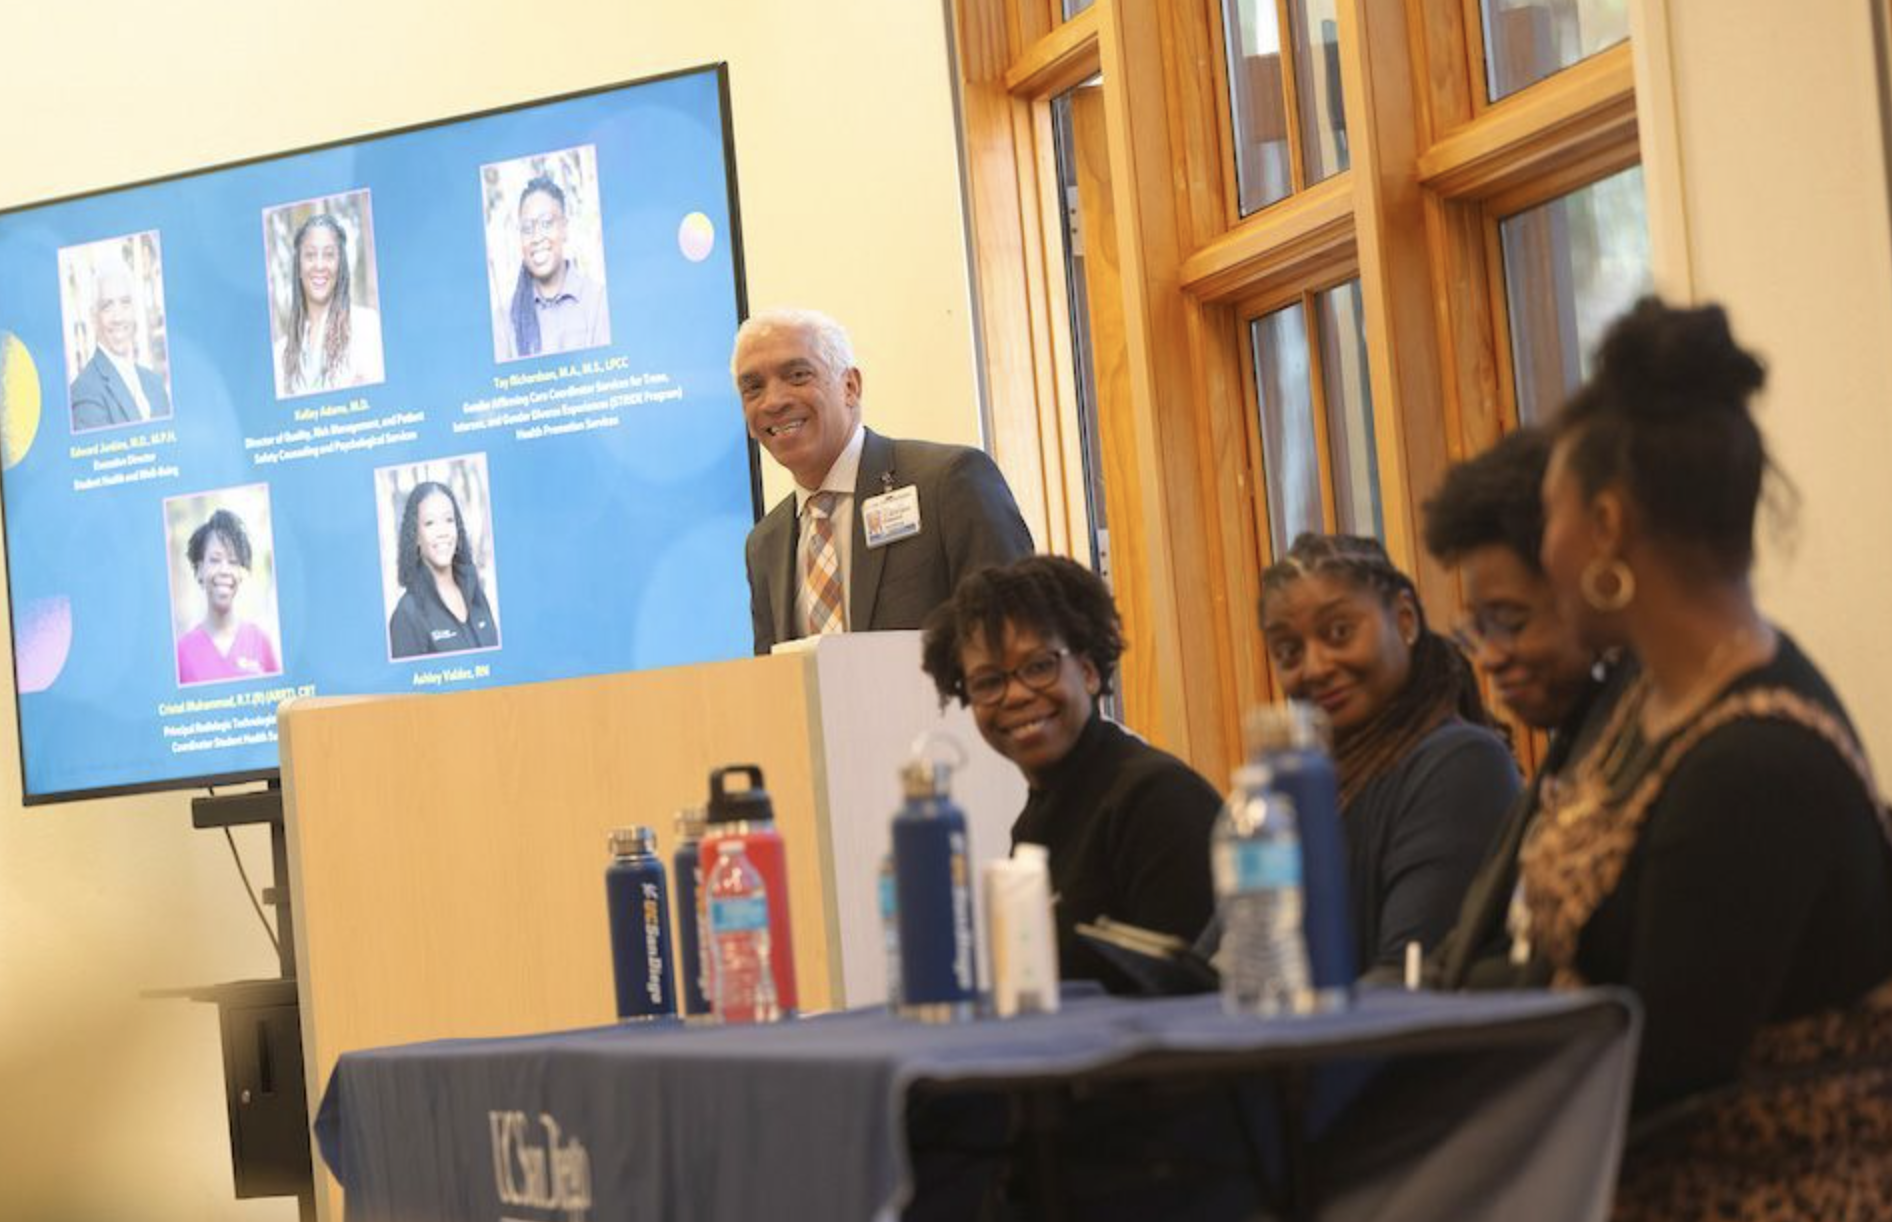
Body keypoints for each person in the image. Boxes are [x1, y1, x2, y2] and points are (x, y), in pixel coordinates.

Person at [1525, 298, 1892, 1219]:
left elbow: (1664, 1070)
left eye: (1549, 518)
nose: (1545, 553)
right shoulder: (1647, 703)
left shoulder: (1756, 768)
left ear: (1607, 525)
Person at [920, 554, 1220, 993]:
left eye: (1039, 666)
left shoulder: (1157, 798)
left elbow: (1189, 1000)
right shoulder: (1037, 818)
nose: (1017, 694)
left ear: (1088, 671)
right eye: (988, 681)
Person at [1418, 426, 1630, 989]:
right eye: (1477, 627)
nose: (1487, 656)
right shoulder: (1578, 735)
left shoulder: (1644, 740)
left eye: (1510, 623)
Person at [1257, 532, 1518, 974]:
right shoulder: (1300, 788)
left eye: (1339, 633)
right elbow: (1219, 960)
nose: (1316, 668)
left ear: (1405, 620)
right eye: (1289, 652)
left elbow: (1407, 980)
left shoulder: (1463, 764)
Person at [736, 308, 1034, 655]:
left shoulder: (948, 482)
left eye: (798, 375)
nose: (773, 401)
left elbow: (1020, 640)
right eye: (753, 388)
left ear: (850, 386)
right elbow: (776, 685)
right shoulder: (764, 544)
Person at [496, 176, 610, 361]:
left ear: (564, 228)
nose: (537, 237)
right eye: (527, 228)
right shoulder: (504, 320)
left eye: (547, 223)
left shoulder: (598, 302)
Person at [276, 212, 383, 397]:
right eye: (310, 255)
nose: (319, 265)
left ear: (340, 265)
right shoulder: (280, 353)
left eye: (328, 255)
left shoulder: (368, 326)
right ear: (299, 268)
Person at [388, 481, 498, 660]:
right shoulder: (407, 615)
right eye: (430, 523)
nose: (443, 532)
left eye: (449, 520)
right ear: (415, 536)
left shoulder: (475, 594)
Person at [175, 508, 281, 685]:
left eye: (233, 562)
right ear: (200, 569)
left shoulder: (261, 642)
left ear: (240, 573)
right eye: (215, 560)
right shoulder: (182, 652)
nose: (224, 570)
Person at [68, 254, 173, 432]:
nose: (118, 318)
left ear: (134, 309)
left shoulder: (155, 383)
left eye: (125, 303)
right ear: (93, 317)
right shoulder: (83, 391)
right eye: (107, 306)